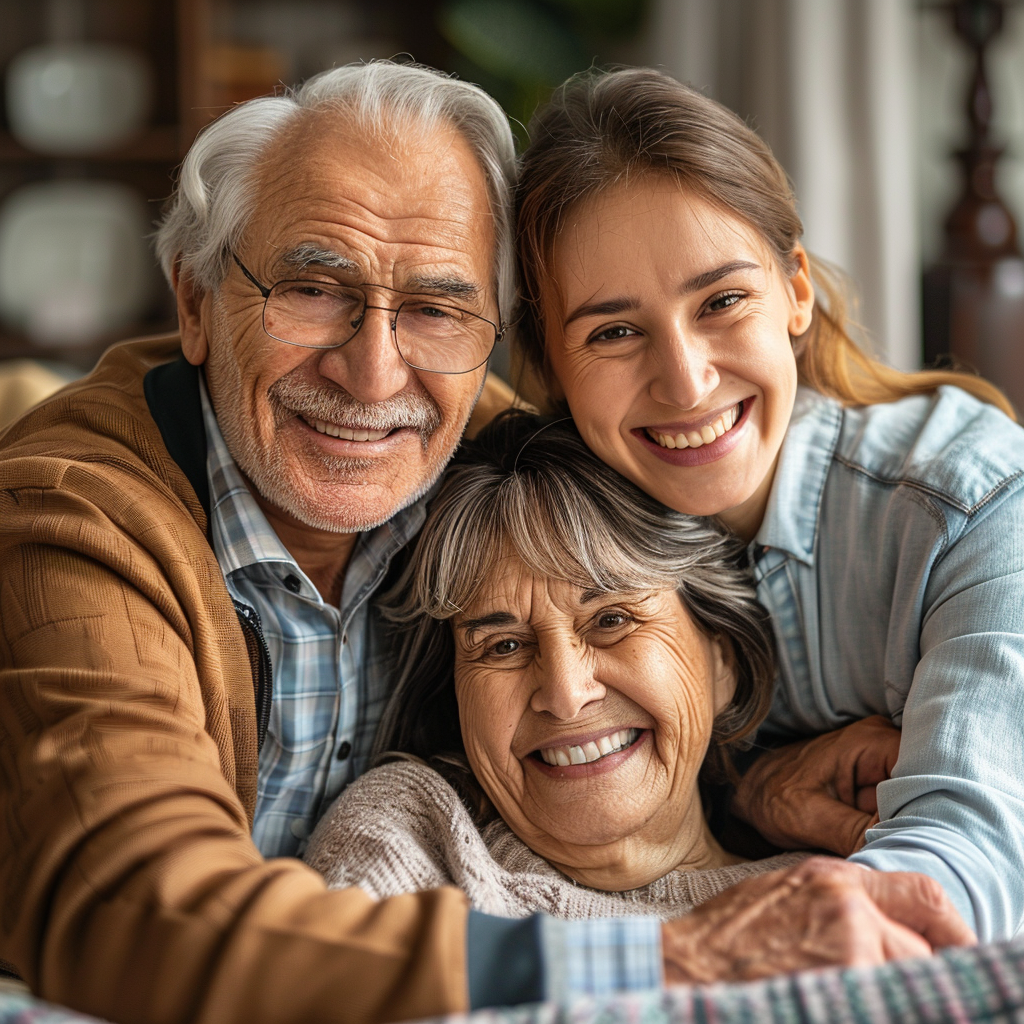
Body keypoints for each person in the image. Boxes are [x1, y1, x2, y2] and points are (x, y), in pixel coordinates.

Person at [0, 58, 978, 1024]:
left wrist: (750, 776)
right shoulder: (77, 519)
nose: (375, 372)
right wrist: (663, 957)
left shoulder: (475, 450)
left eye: (435, 307)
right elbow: (131, 904)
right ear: (195, 301)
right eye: (312, 288)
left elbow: (637, 644)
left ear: (493, 338)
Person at [514, 66, 1024, 945]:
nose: (686, 381)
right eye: (614, 331)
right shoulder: (538, 543)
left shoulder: (971, 501)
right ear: (550, 365)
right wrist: (753, 786)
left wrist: (823, 920)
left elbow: (975, 850)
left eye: (721, 301)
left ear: (795, 291)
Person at [305, 410, 812, 920]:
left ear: (721, 661)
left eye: (611, 619)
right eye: (503, 646)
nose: (567, 694)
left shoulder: (840, 891)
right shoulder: (412, 838)